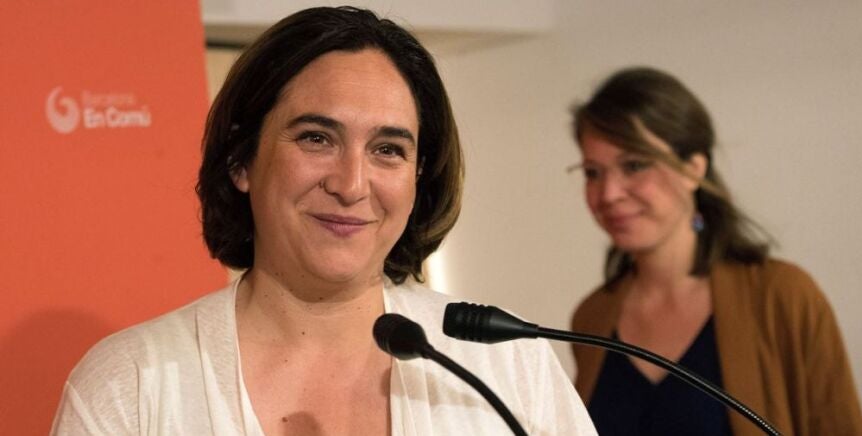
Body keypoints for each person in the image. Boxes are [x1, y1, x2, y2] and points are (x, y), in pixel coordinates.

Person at [51, 6, 596, 435]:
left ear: (418, 176)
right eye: (316, 138)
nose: (351, 185)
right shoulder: (133, 384)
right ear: (241, 160)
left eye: (388, 150)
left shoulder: (505, 364)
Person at [567, 66, 862, 436]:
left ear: (693, 169)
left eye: (635, 165)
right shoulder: (591, 316)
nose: (609, 193)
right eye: (592, 172)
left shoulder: (783, 296)